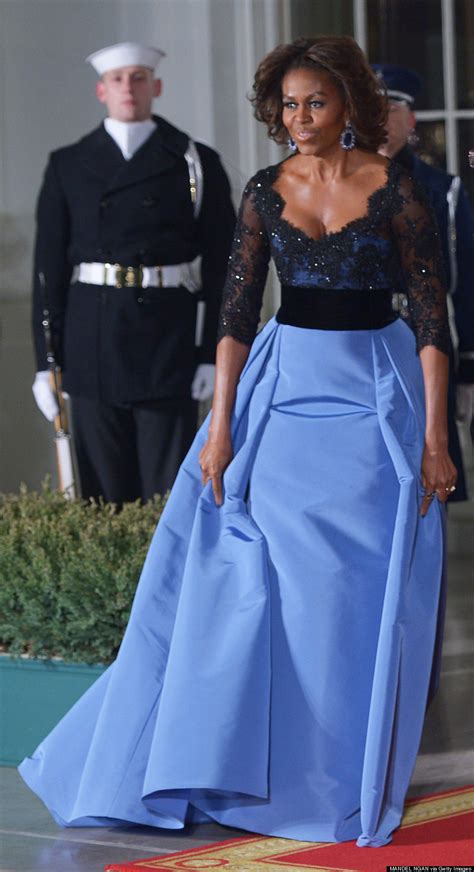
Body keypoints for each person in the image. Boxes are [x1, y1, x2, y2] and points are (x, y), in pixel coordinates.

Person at [20, 36, 457, 848]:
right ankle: (241, 779)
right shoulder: (263, 192)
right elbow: (233, 321)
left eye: (315, 103)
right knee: (274, 590)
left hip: (371, 400)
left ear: (350, 106)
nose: (300, 119)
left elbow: (433, 324)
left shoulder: (398, 194)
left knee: (347, 602)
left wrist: (437, 440)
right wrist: (220, 432)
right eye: (288, 105)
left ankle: (331, 781)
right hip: (283, 399)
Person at [31, 41, 235, 504]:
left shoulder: (194, 160)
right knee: (101, 497)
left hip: (168, 343)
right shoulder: (68, 164)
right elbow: (48, 272)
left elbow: (224, 265)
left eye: (139, 78)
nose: (129, 87)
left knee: (168, 494)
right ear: (101, 91)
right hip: (92, 344)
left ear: (156, 87)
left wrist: (210, 355)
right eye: (119, 79)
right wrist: (47, 362)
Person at [372, 62, 474, 501]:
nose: (381, 117)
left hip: (424, 338)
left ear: (410, 118)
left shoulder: (441, 189)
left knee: (434, 471)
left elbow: (468, 280)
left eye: (392, 107)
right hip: (366, 339)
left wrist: (468, 363)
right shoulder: (340, 184)